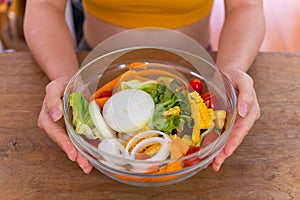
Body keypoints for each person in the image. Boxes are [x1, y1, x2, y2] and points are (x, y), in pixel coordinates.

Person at [23, 0, 265, 174]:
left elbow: (245, 6)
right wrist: (65, 78)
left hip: (197, 73)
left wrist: (231, 69)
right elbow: (44, 6)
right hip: (96, 77)